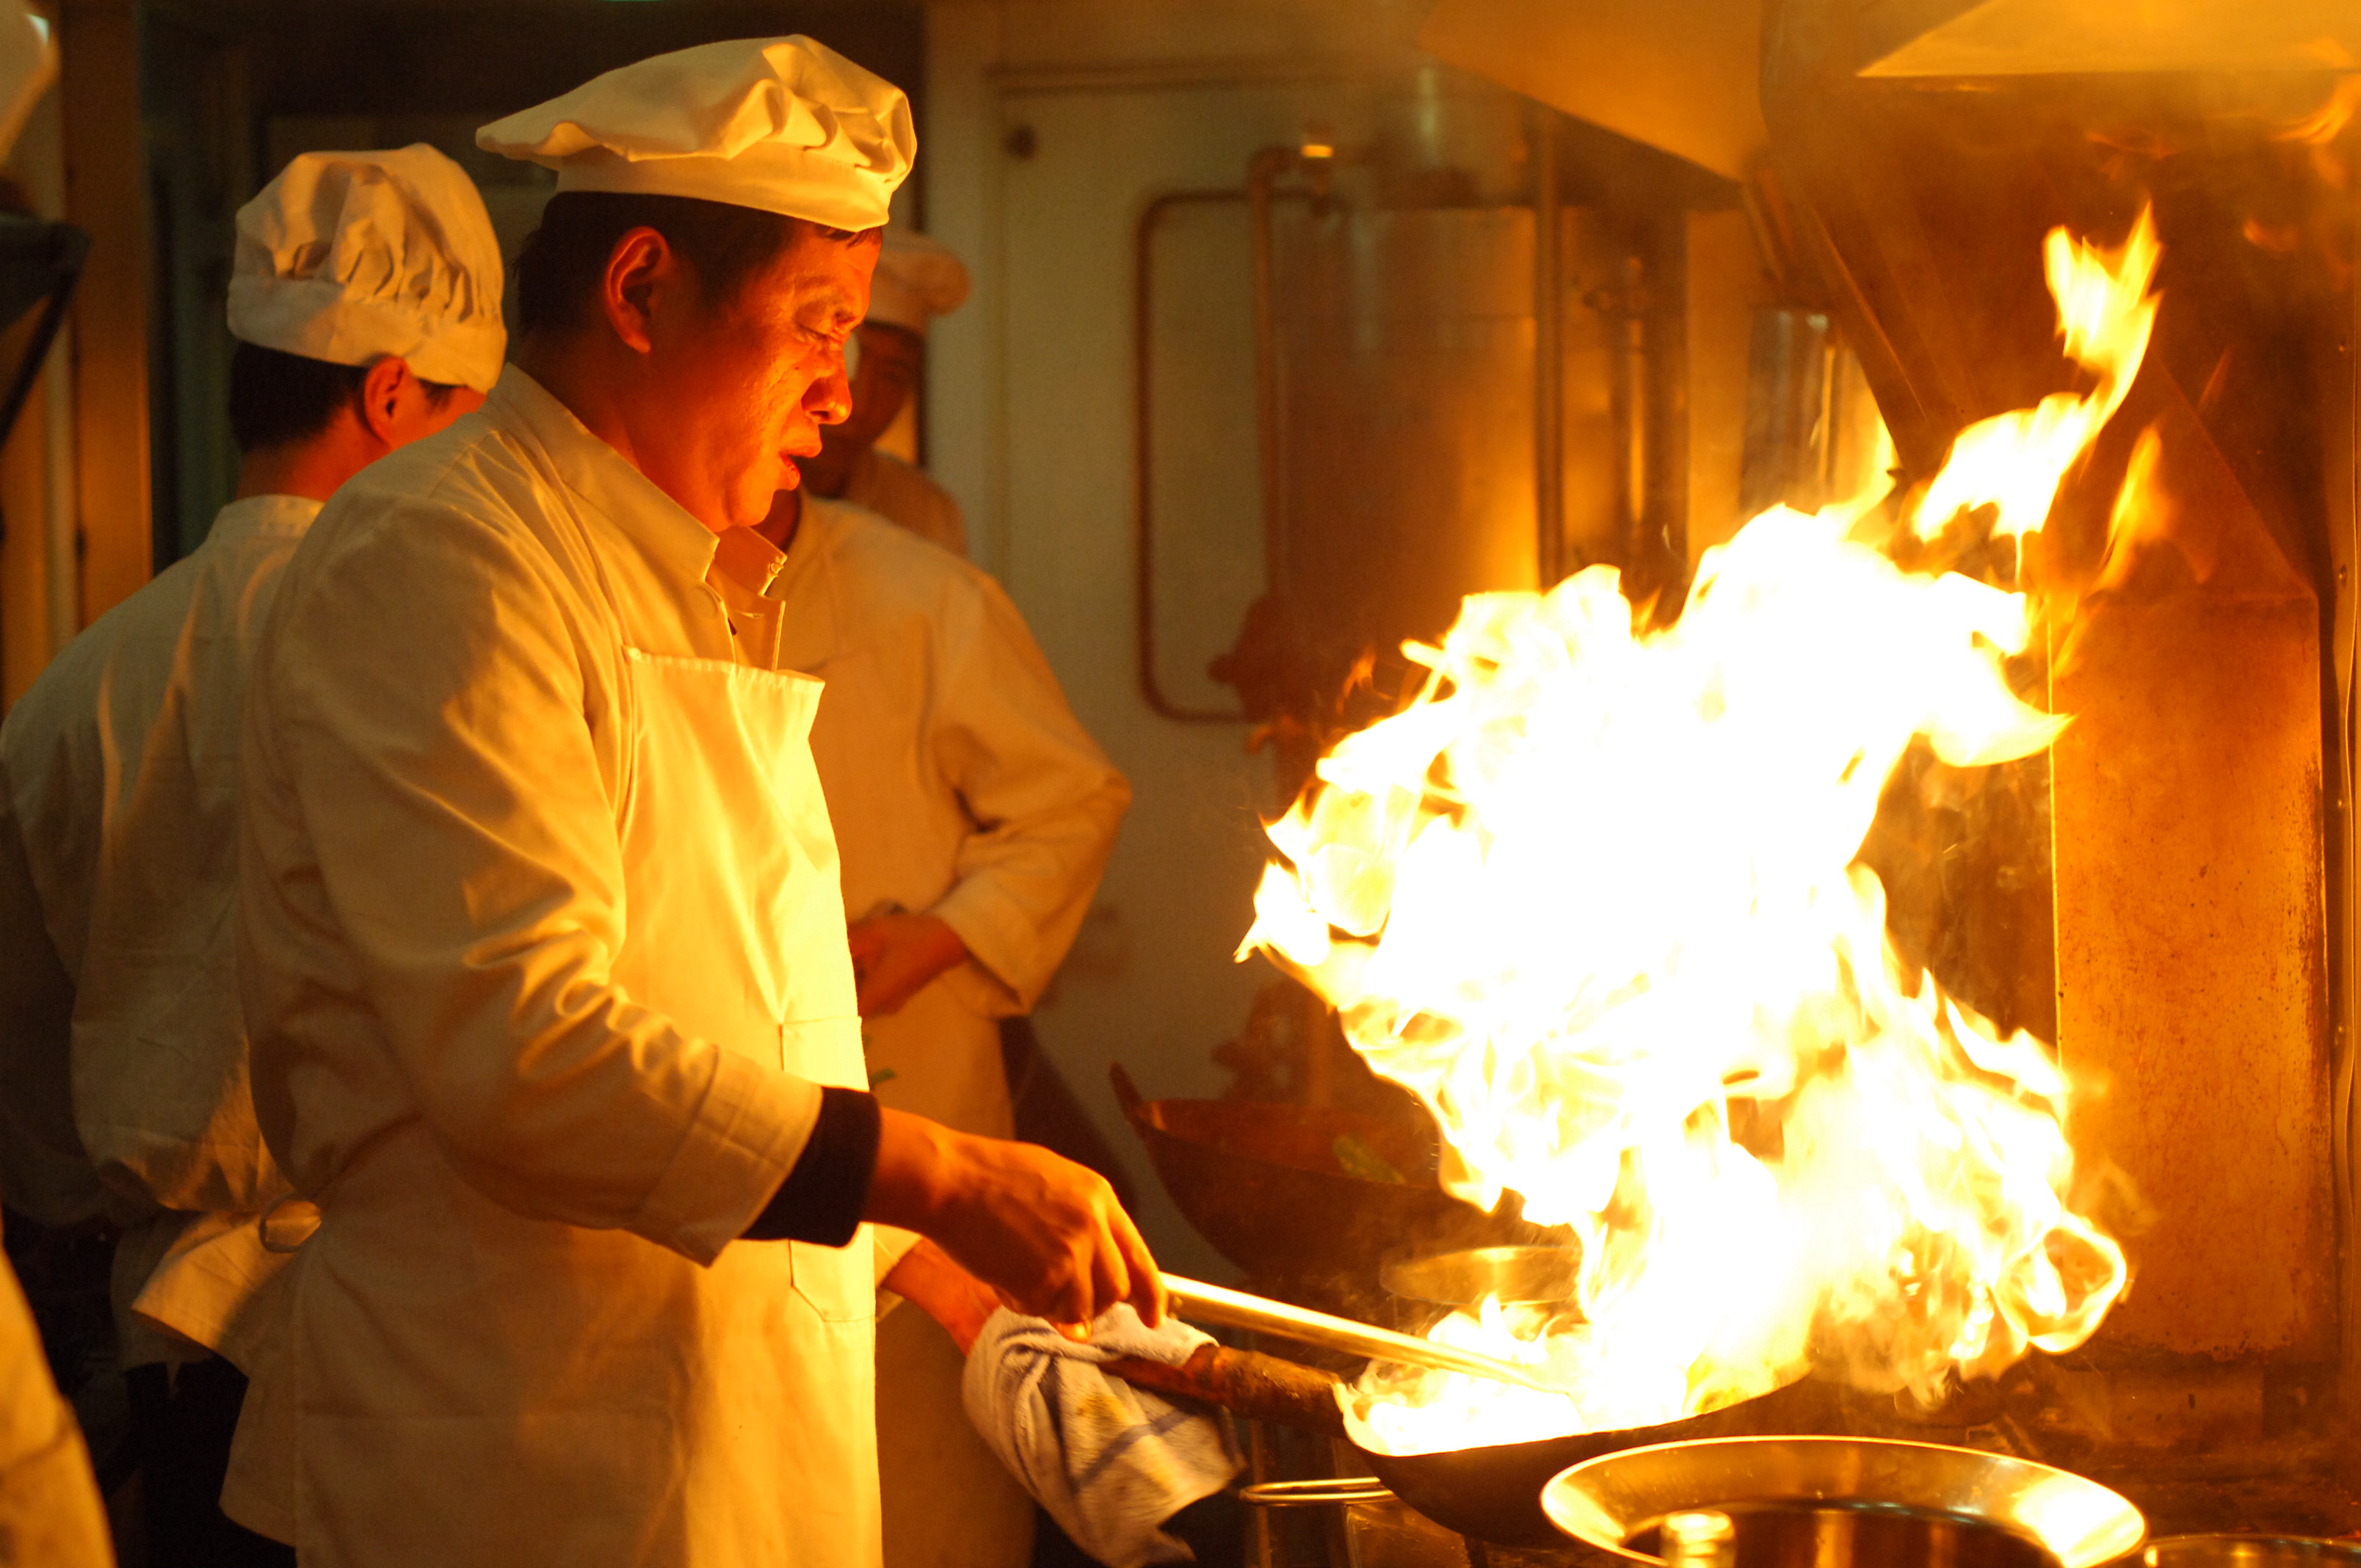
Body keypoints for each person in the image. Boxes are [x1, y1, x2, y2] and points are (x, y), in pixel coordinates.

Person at [216, 37, 1161, 1567]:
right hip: (526, 1461)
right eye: (818, 326)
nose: (842, 394)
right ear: (643, 288)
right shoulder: (448, 554)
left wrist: (917, 1248)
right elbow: (525, 1052)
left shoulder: (664, 565)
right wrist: (938, 1167)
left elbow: (726, 1022)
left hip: (702, 1428)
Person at [0, 144, 505, 1565]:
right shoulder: (452, 652)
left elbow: (27, 1081)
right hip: (414, 1337)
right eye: (469, 421)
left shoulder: (79, 685)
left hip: (173, 1346)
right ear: (392, 395)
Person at [742, 447, 1128, 1567]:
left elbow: (1071, 800)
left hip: (916, 1076)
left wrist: (947, 933)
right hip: (725, 1112)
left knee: (922, 1468)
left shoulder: (922, 595)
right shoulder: (605, 593)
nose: (829, 399)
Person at [791, 225, 969, 553]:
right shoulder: (731, 491)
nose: (856, 403)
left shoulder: (926, 515)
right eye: (847, 359)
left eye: (893, 375)